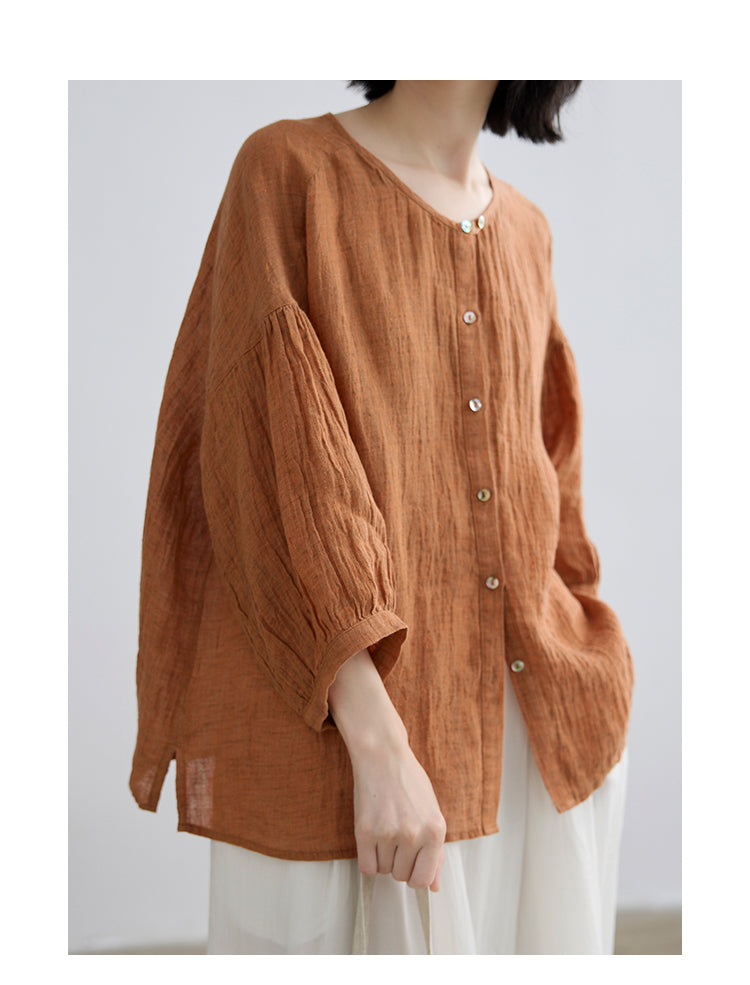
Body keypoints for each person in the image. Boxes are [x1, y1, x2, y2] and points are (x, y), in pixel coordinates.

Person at [130, 80, 634, 954]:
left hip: (541, 741)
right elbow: (269, 467)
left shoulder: (527, 229)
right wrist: (380, 743)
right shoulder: (288, 172)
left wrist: (596, 663)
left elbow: (553, 484)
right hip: (350, 745)